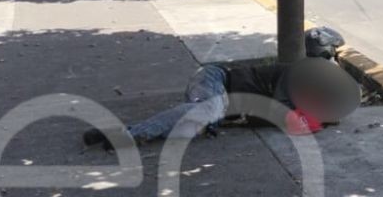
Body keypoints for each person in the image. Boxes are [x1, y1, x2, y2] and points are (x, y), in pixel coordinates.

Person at [83, 28, 358, 149]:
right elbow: (276, 112)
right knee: (209, 109)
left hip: (220, 96)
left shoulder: (306, 86)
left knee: (189, 125)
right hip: (215, 79)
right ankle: (128, 138)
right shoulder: (298, 74)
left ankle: (114, 133)